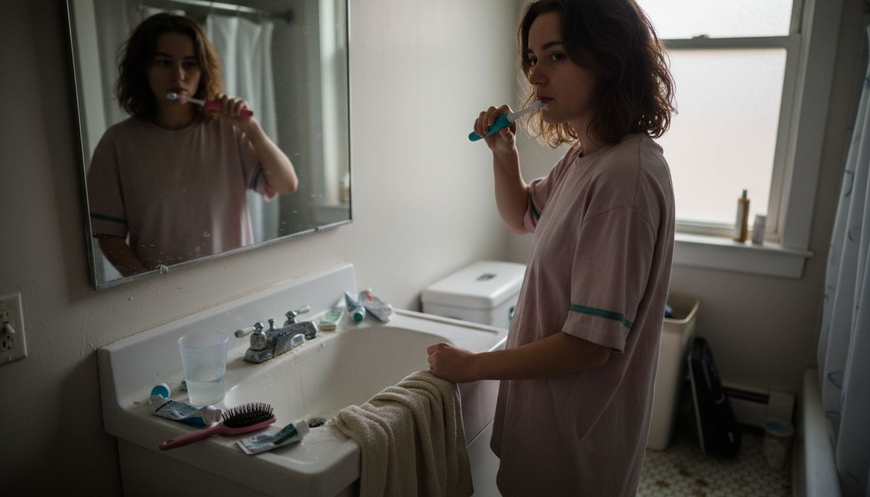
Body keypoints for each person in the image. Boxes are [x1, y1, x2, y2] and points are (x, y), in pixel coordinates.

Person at [427, 0, 676, 495]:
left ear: (608, 59)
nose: (535, 76)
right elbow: (520, 215)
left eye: (556, 56)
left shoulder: (624, 178)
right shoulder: (586, 158)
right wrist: (504, 153)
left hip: (575, 454)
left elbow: (588, 344)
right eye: (532, 58)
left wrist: (473, 366)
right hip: (553, 431)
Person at [87, 13, 298, 276]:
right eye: (164, 62)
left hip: (233, 287)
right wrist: (150, 289)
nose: (179, 75)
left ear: (202, 71)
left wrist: (250, 128)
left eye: (190, 64)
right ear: (143, 68)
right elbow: (109, 235)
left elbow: (286, 184)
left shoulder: (229, 133)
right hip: (162, 301)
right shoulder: (117, 143)